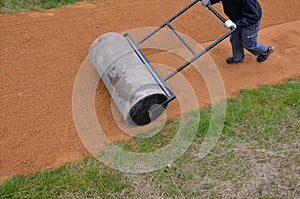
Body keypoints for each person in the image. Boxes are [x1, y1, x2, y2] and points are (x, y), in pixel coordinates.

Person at [201, 0, 275, 64]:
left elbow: (253, 16)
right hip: (236, 19)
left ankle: (267, 50)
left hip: (250, 23)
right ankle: (238, 58)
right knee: (234, 39)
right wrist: (209, 0)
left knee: (248, 44)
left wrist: (236, 24)